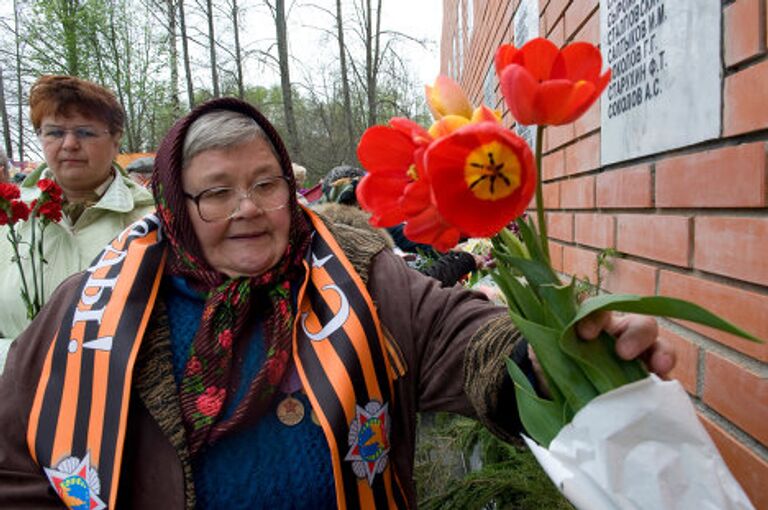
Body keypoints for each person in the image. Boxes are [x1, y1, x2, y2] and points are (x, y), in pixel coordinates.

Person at [0, 98, 674, 509]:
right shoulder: (93, 304)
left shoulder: (358, 270)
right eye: (216, 191)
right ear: (178, 204)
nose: (248, 210)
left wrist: (560, 356)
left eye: (267, 183)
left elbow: (465, 340)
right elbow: (17, 456)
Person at [0, 75, 154, 370]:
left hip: (117, 400)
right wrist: (21, 360)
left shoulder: (150, 219)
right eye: (54, 133)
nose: (69, 144)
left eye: (85, 132)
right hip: (13, 397)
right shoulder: (9, 217)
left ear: (116, 138)